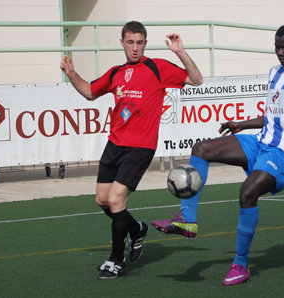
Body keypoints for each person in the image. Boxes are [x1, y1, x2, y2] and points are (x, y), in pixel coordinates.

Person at [152, 23, 284, 286]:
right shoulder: (275, 73)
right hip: (260, 142)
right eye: (277, 46)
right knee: (201, 149)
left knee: (247, 194)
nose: (280, 52)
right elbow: (272, 116)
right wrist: (242, 124)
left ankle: (240, 264)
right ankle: (187, 220)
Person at [60, 21, 203, 279]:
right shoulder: (116, 73)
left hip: (140, 148)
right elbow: (90, 92)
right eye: (130, 42)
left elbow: (196, 79)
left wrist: (180, 52)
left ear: (145, 43)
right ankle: (136, 229)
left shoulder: (156, 67)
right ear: (122, 43)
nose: (135, 48)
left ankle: (116, 260)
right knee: (102, 200)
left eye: (139, 42)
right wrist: (72, 74)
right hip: (114, 145)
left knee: (115, 201)